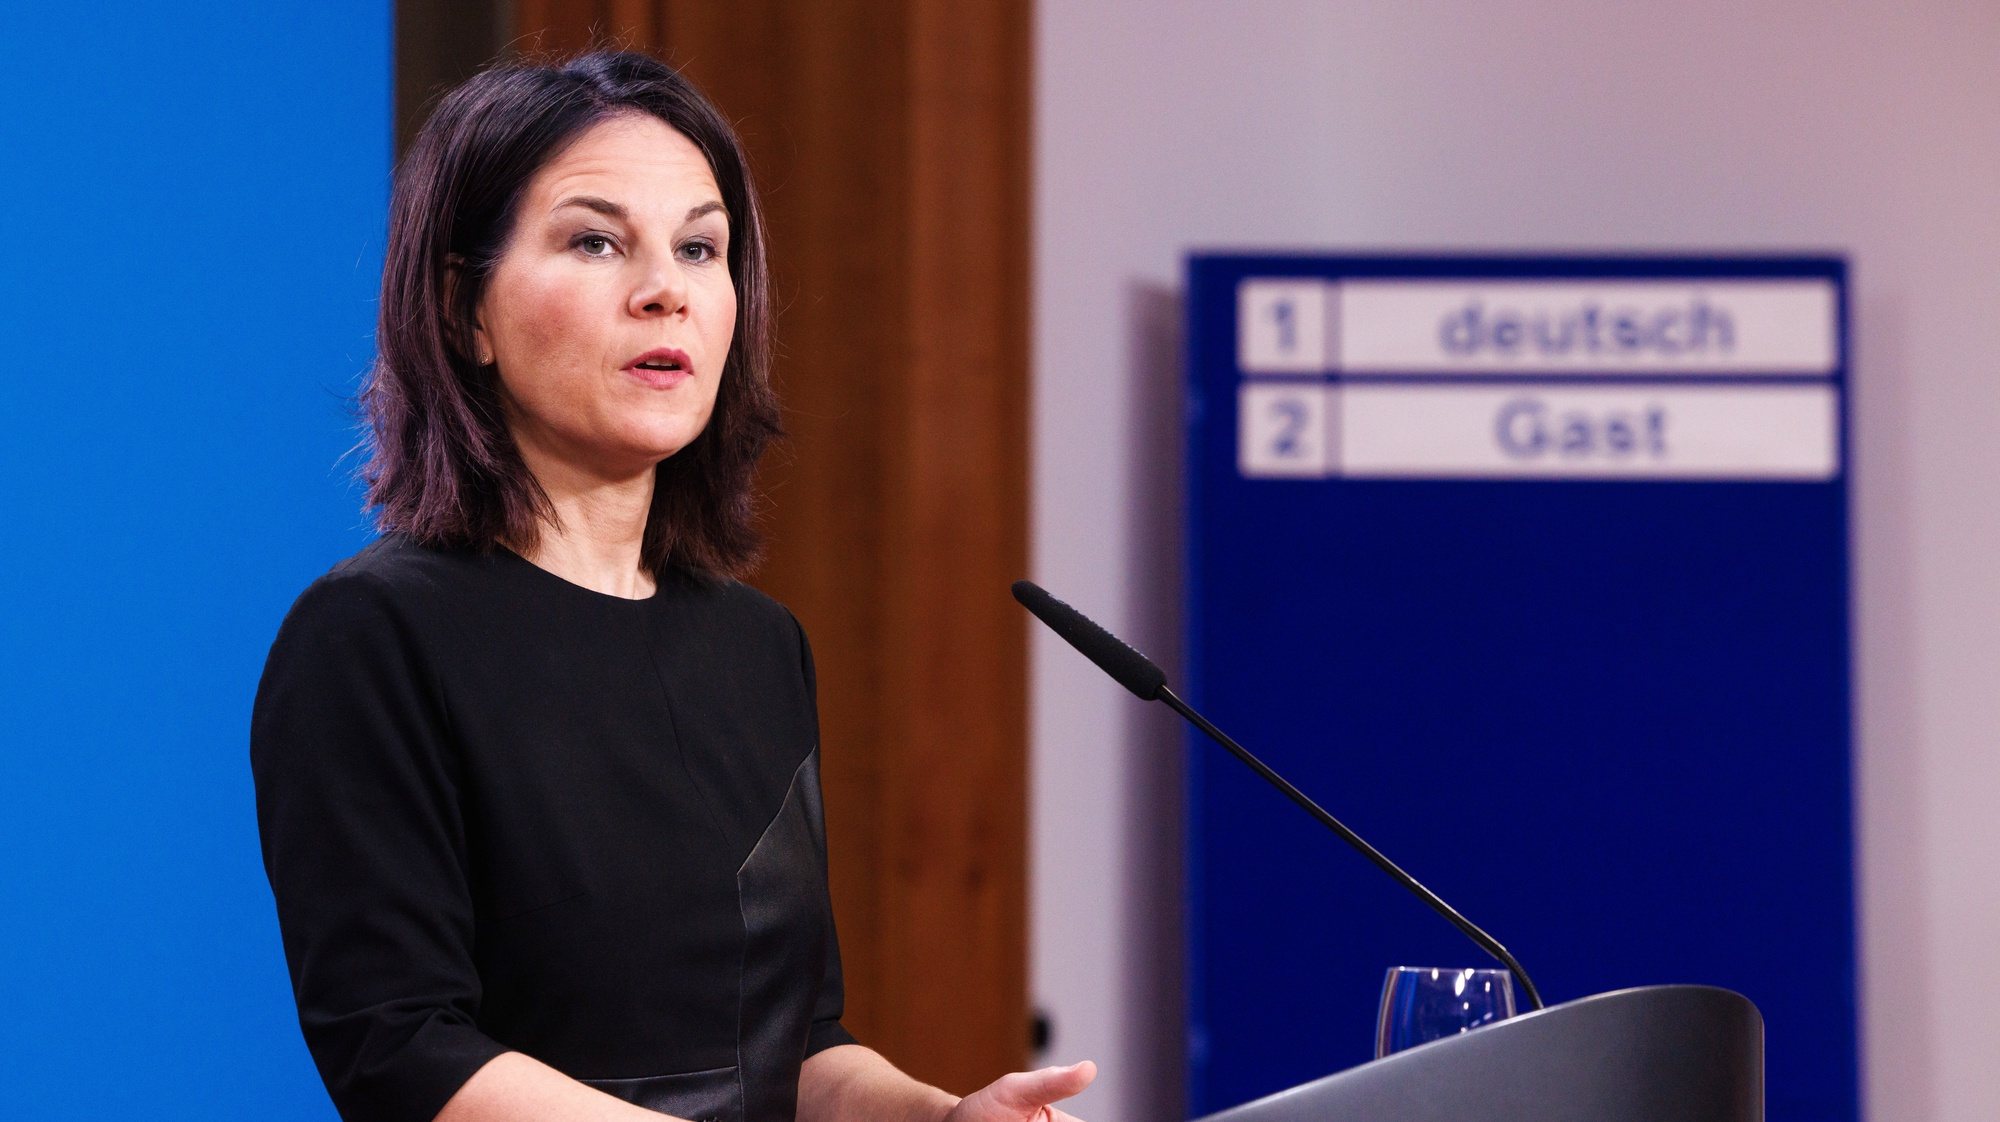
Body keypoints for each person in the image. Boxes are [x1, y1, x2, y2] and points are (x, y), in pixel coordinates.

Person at [251, 50, 1094, 1122]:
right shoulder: (373, 634)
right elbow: (403, 1049)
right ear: (465, 309)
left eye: (700, 248)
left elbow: (794, 1047)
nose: (664, 291)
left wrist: (938, 1116)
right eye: (595, 241)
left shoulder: (757, 646)